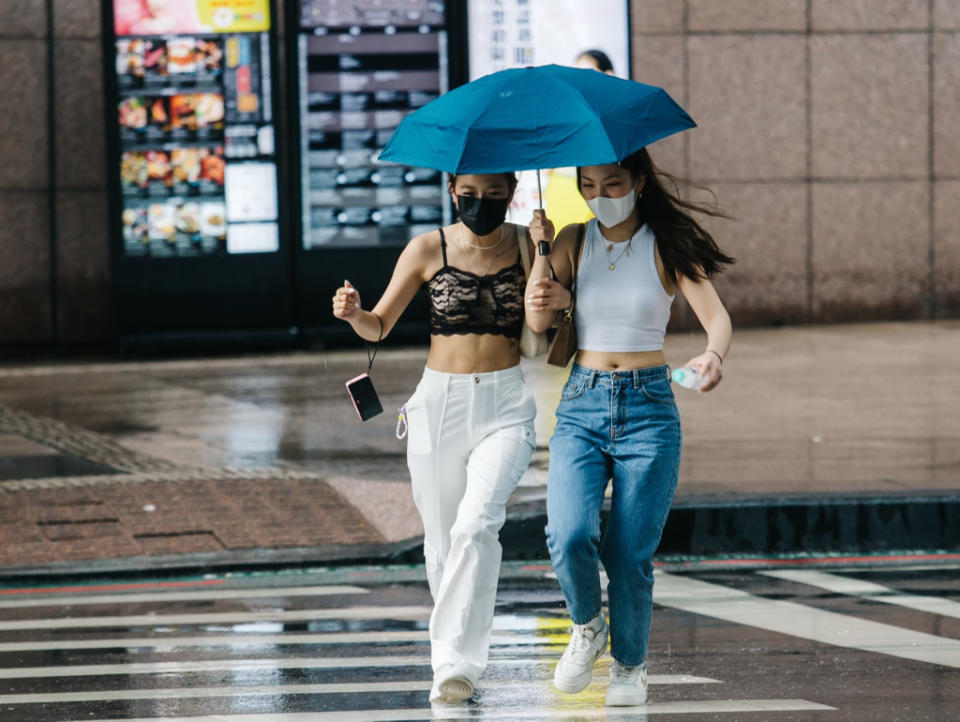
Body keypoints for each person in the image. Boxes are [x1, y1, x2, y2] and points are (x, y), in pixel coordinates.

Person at [525, 148, 734, 706]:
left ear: (638, 182)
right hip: (582, 402)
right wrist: (542, 253)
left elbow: (716, 316)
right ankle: (586, 625)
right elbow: (537, 321)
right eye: (588, 185)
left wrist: (714, 355)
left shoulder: (665, 243)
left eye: (611, 183)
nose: (599, 195)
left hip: (649, 407)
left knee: (628, 554)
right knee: (568, 533)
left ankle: (629, 666)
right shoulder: (572, 238)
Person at [332, 173, 537, 706]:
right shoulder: (427, 248)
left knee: (477, 524)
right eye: (471, 193)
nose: (482, 203)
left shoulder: (528, 240)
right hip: (438, 404)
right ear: (452, 190)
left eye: (495, 194)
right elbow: (379, 325)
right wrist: (354, 313)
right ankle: (450, 660)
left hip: (506, 405)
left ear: (512, 190)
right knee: (443, 540)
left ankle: (458, 662)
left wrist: (542, 254)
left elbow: (541, 339)